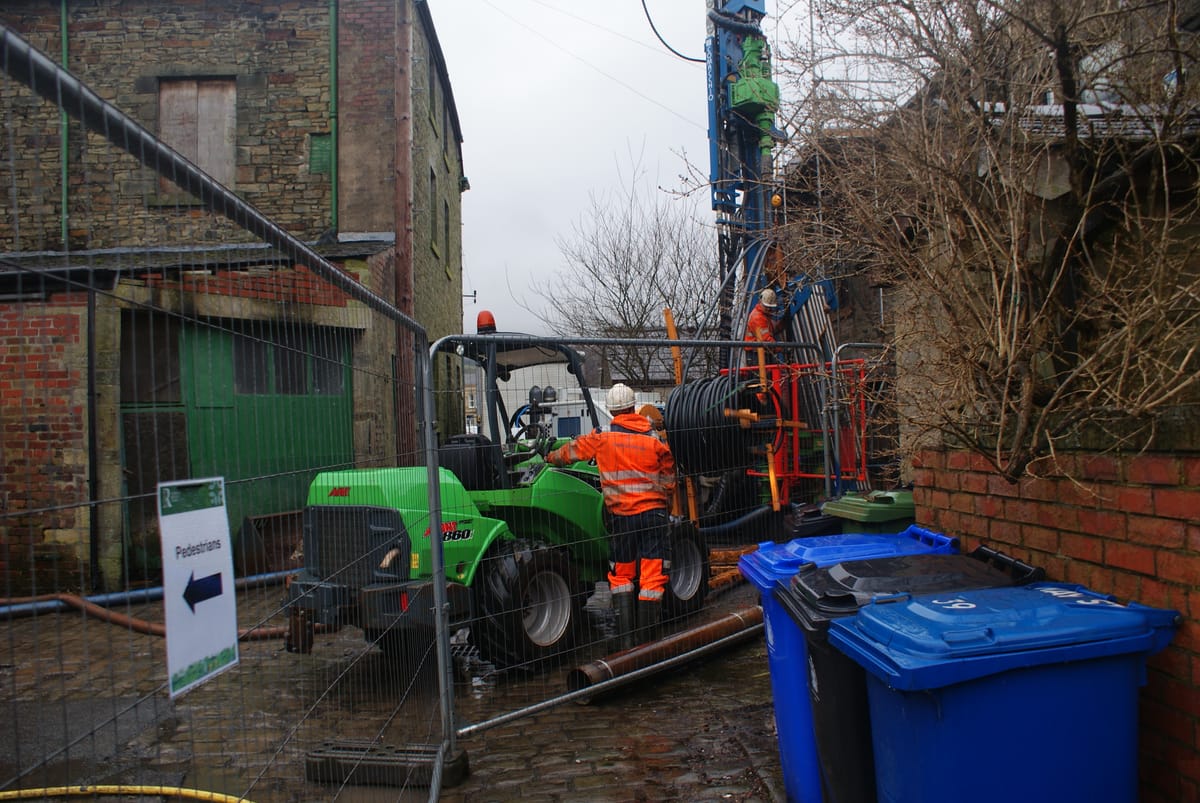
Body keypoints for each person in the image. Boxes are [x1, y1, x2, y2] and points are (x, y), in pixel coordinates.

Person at [545, 382, 676, 649]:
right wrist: (666, 502)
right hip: (653, 514)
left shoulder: (602, 436)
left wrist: (549, 457)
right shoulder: (653, 438)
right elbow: (669, 477)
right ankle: (648, 644)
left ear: (612, 410)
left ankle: (626, 641)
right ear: (633, 406)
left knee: (622, 575)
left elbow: (571, 452)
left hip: (621, 516)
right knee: (652, 577)